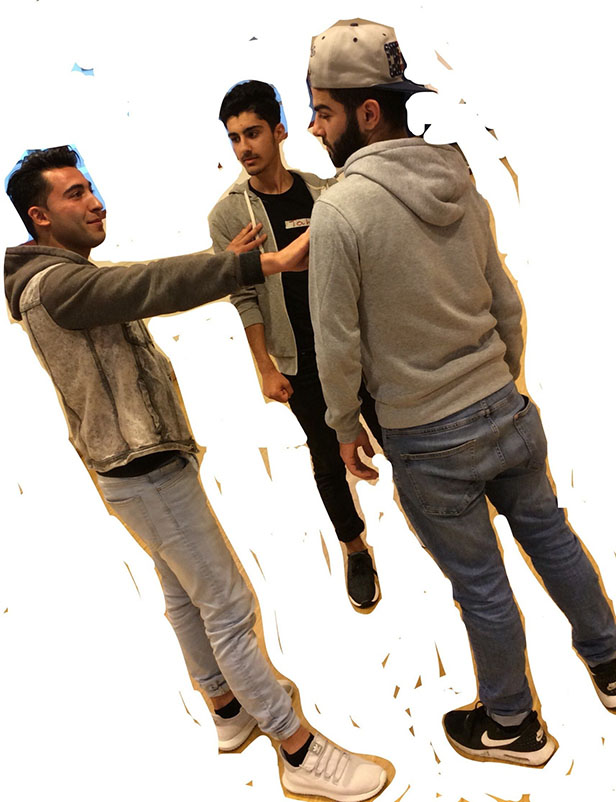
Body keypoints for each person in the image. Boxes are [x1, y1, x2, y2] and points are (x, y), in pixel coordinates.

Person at [4, 145, 388, 802]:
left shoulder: (59, 277)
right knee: (229, 606)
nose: (95, 201)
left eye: (90, 187)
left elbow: (137, 284)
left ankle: (228, 710)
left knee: (185, 595)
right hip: (144, 471)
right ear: (39, 217)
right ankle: (297, 749)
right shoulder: (58, 286)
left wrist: (230, 262)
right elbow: (149, 283)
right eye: (75, 194)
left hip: (134, 471)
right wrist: (258, 264)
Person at [305, 18, 616, 767]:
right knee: (552, 536)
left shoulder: (340, 211)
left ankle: (513, 726)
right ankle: (612, 665)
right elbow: (504, 300)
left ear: (367, 112)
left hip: (427, 436)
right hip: (505, 409)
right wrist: (501, 383)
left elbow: (336, 342)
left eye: (322, 111)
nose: (314, 129)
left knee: (481, 585)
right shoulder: (457, 176)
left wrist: (343, 425)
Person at [208, 80, 383, 609]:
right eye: (235, 137)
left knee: (398, 434)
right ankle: (354, 547)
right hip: (297, 358)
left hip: (354, 347)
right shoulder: (228, 216)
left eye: (253, 133)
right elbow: (244, 297)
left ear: (279, 131)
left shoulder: (323, 192)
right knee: (326, 455)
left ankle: (436, 522)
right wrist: (265, 366)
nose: (244, 147)